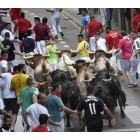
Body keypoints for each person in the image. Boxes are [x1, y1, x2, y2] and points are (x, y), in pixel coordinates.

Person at [0, 66, 18, 132]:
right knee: (14, 113)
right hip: (13, 97)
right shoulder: (17, 76)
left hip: (5, 96)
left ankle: (3, 126)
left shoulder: (7, 74)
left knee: (6, 112)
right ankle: (12, 128)